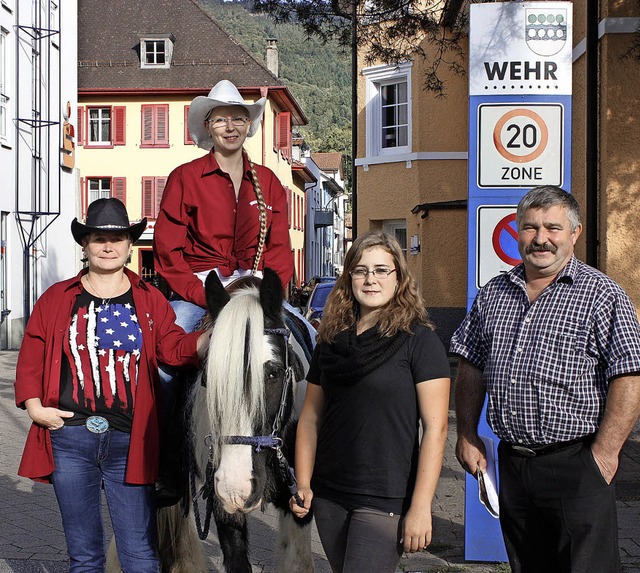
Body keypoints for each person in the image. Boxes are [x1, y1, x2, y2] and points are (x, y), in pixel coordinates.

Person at [450, 186, 640, 573]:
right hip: (514, 464)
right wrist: (466, 433)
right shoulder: (494, 293)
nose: (541, 239)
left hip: (578, 463)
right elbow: (470, 364)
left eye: (553, 227)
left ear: (575, 233)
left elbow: (629, 376)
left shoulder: (602, 295)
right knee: (528, 565)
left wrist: (604, 454)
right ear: (516, 231)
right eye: (530, 227)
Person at [14, 198, 209, 573]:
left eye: (117, 238)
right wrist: (35, 407)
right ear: (85, 245)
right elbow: (32, 353)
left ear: (129, 244)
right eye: (99, 238)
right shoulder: (57, 298)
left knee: (139, 555)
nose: (108, 246)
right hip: (70, 437)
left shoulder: (150, 300)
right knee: (84, 556)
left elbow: (171, 346)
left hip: (129, 443)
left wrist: (208, 340)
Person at [290, 231, 451, 573]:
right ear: (349, 278)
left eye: (381, 270)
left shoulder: (419, 340)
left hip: (384, 497)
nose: (370, 279)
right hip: (330, 492)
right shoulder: (331, 341)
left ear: (398, 278)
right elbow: (310, 418)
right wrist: (303, 482)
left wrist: (421, 507)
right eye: (361, 270)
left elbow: (435, 429)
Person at [153, 79, 294, 339]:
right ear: (208, 127)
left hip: (257, 289)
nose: (230, 127)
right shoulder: (185, 178)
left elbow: (280, 250)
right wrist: (204, 295)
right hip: (199, 292)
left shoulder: (269, 181)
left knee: (309, 343)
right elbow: (168, 252)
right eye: (220, 120)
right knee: (163, 364)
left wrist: (268, 293)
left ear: (248, 124)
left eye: (238, 119)